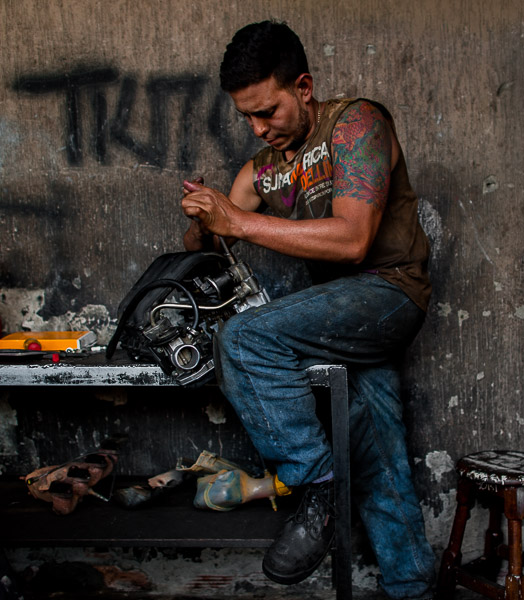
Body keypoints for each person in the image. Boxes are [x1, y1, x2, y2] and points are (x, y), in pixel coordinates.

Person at [181, 20, 435, 600]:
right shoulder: (263, 169)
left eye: (267, 111)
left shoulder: (356, 124)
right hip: (340, 317)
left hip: (389, 293)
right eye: (246, 116)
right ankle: (413, 586)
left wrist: (238, 220)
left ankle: (315, 486)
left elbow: (352, 241)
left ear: (303, 86)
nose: (257, 127)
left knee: (245, 341)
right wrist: (204, 216)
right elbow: (208, 242)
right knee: (379, 452)